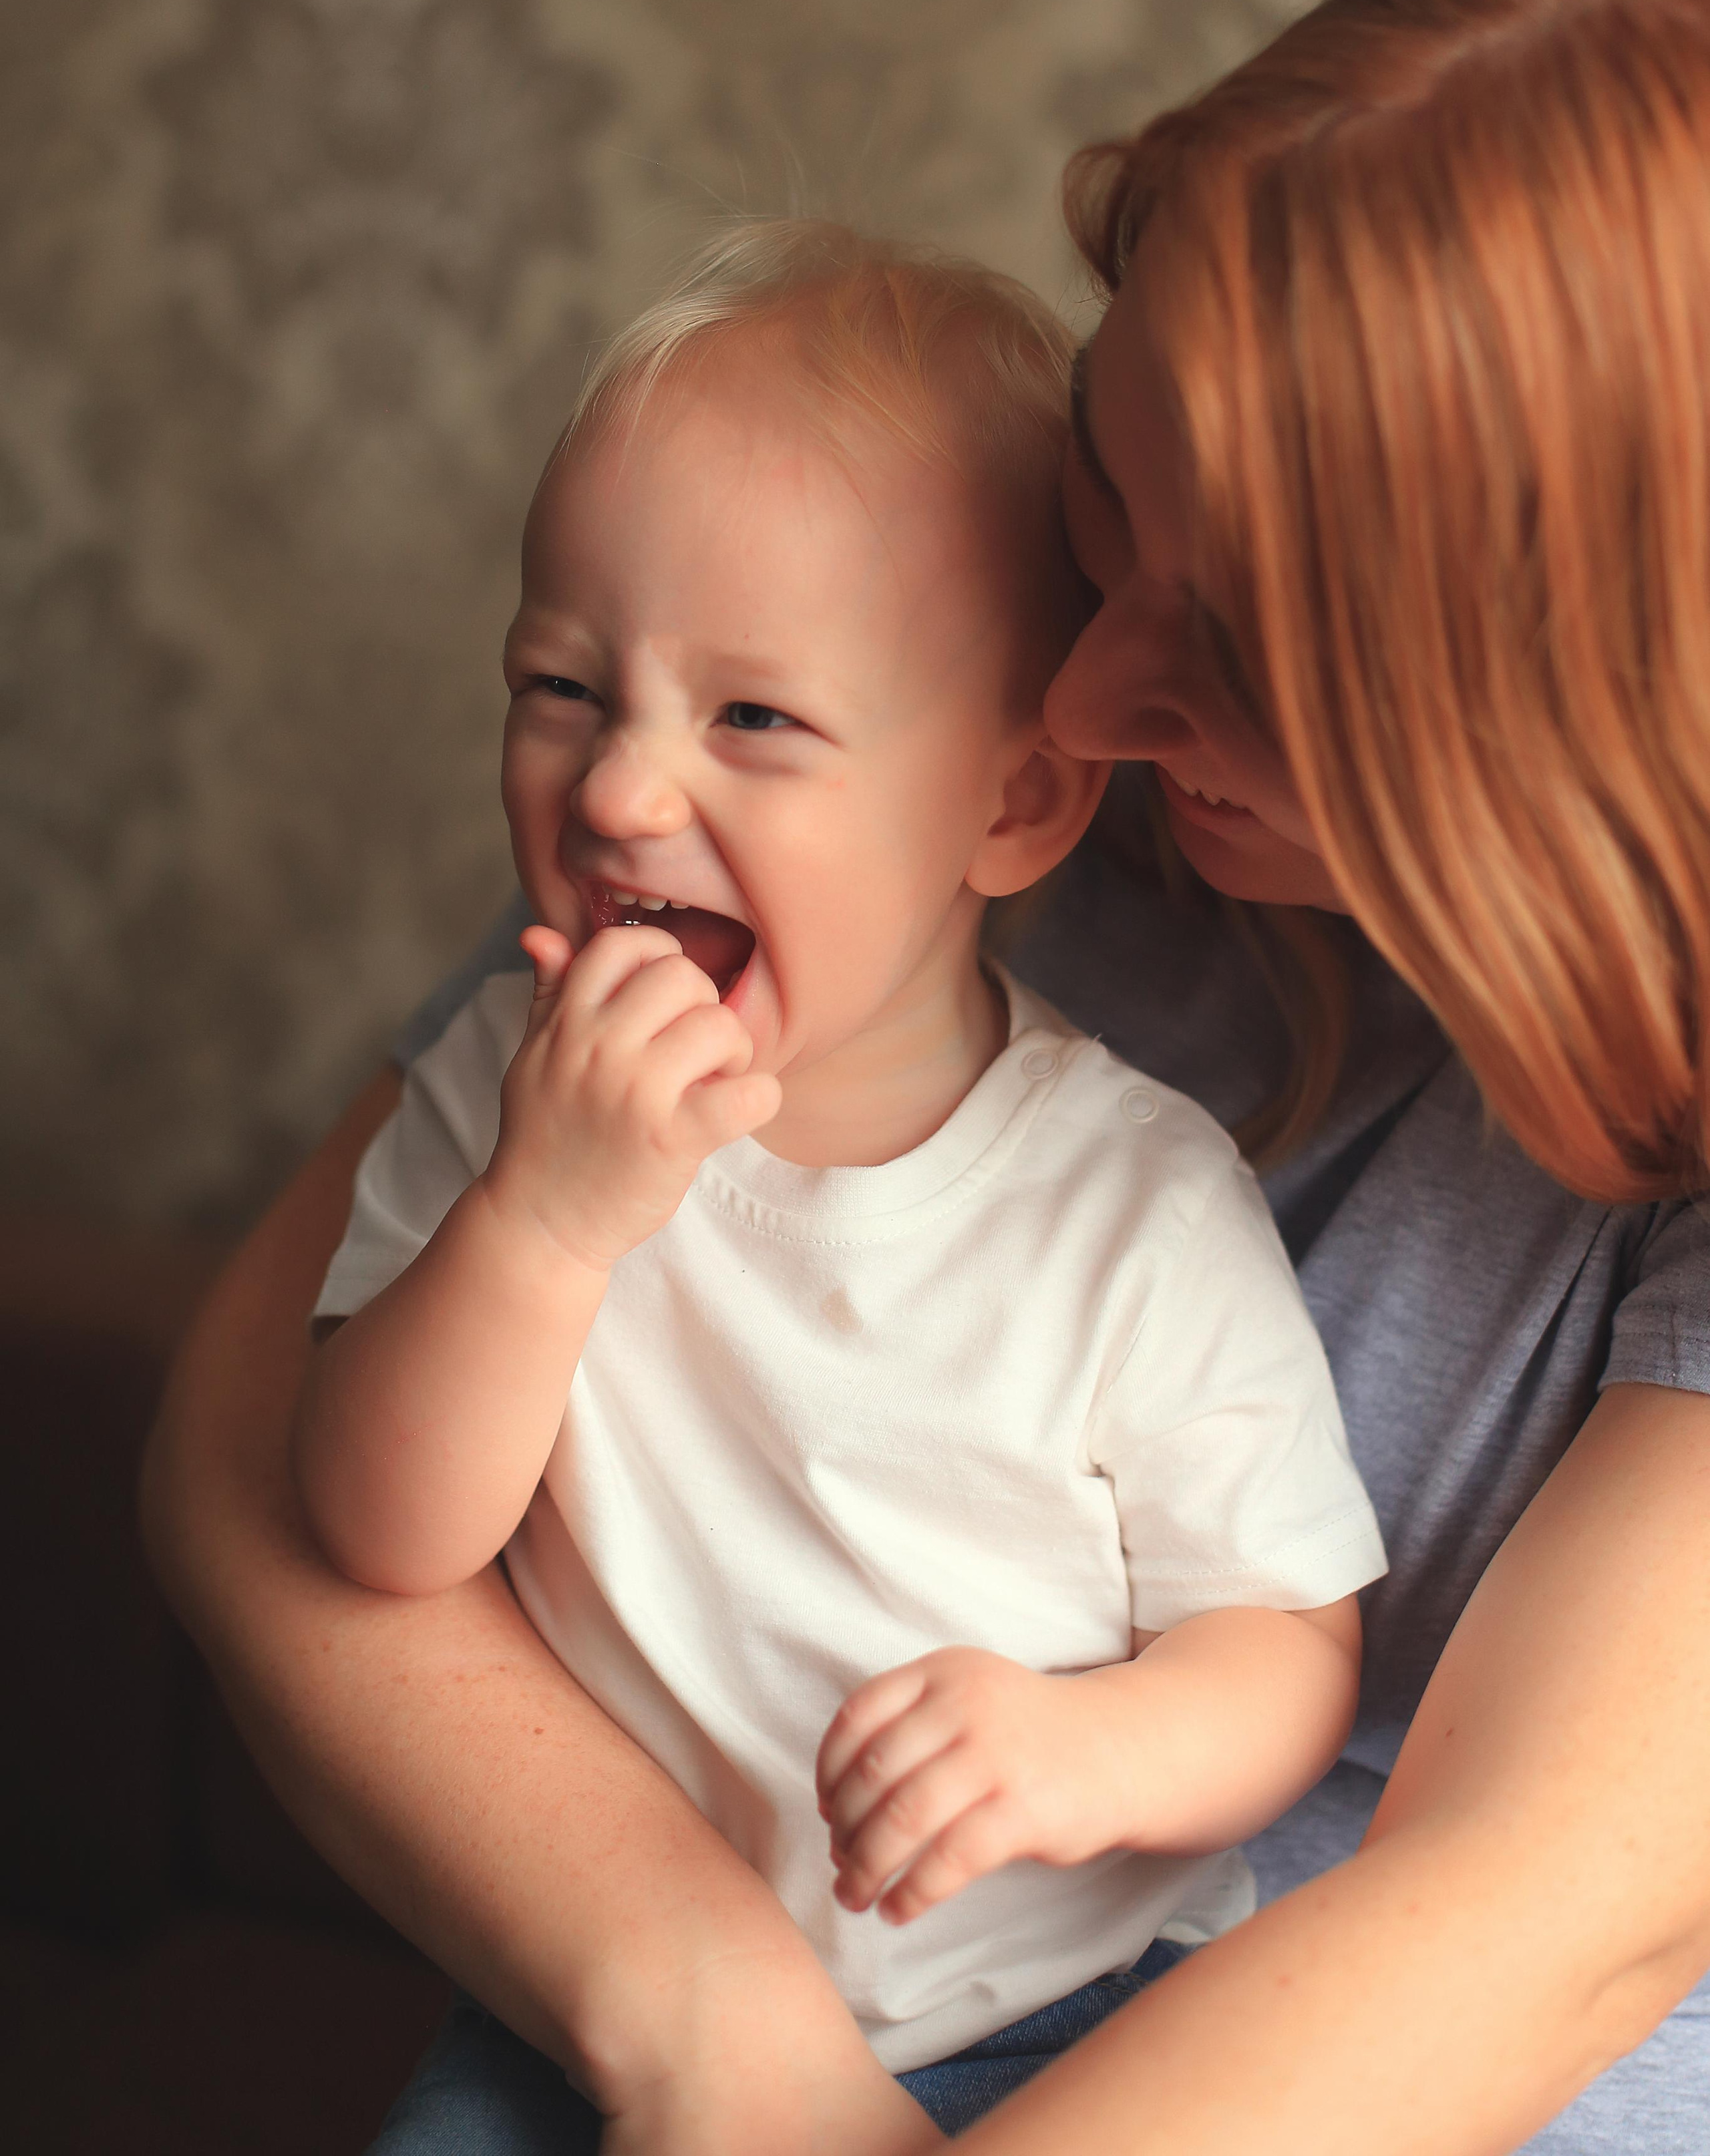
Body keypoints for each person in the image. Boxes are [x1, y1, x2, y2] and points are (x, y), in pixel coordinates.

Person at [142, 0, 1710, 2156]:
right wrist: (713, 2022)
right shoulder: (864, 764)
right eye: (1105, 501)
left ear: (1559, 729)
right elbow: (256, 1463)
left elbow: (1535, 1909)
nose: (1081, 696)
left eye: (1244, 647)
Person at [289, 223, 1384, 2143]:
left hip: (1066, 2020)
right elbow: (370, 1536)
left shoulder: (1129, 1201)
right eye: (561, 685)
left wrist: (1086, 1749)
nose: (623, 791)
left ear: (1015, 805)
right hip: (588, 2001)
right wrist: (542, 1227)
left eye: (753, 719)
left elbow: (1284, 1644)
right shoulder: (505, 1092)